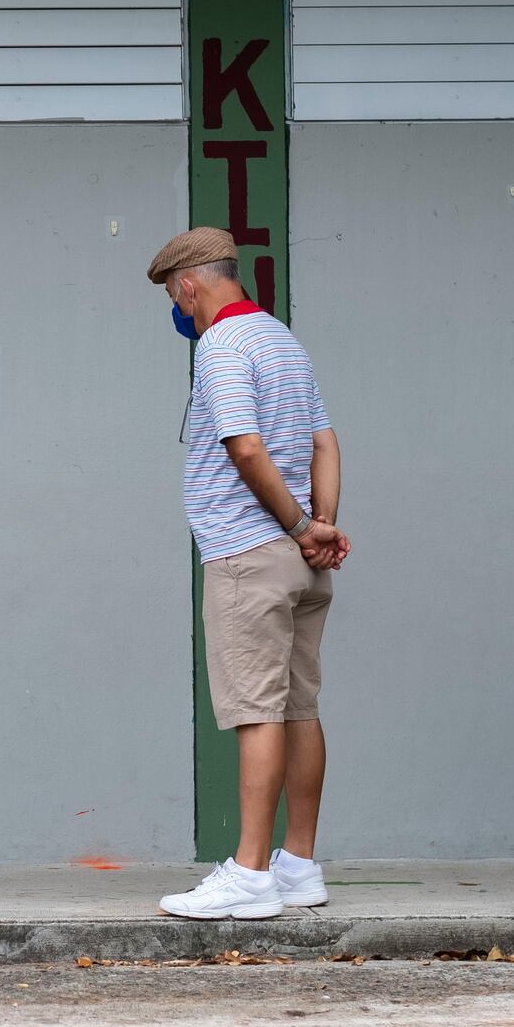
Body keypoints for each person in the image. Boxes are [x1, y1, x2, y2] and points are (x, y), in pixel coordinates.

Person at [149, 228, 351, 922]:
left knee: (256, 710)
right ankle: (299, 866)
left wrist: (298, 526)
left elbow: (244, 445)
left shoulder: (221, 346)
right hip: (297, 560)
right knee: (300, 707)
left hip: (248, 551)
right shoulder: (282, 340)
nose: (178, 311)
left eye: (174, 298)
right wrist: (319, 525)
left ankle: (251, 874)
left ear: (188, 286)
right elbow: (325, 441)